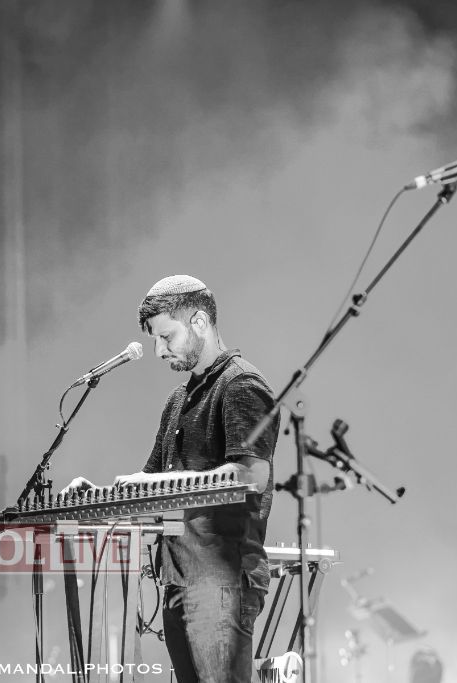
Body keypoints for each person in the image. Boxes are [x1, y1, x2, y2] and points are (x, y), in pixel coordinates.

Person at [66, 275, 279, 683]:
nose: (159, 350)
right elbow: (150, 485)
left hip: (222, 581)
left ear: (199, 322)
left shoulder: (242, 385)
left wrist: (157, 485)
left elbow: (250, 474)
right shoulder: (178, 400)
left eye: (166, 336)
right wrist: (100, 498)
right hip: (179, 582)